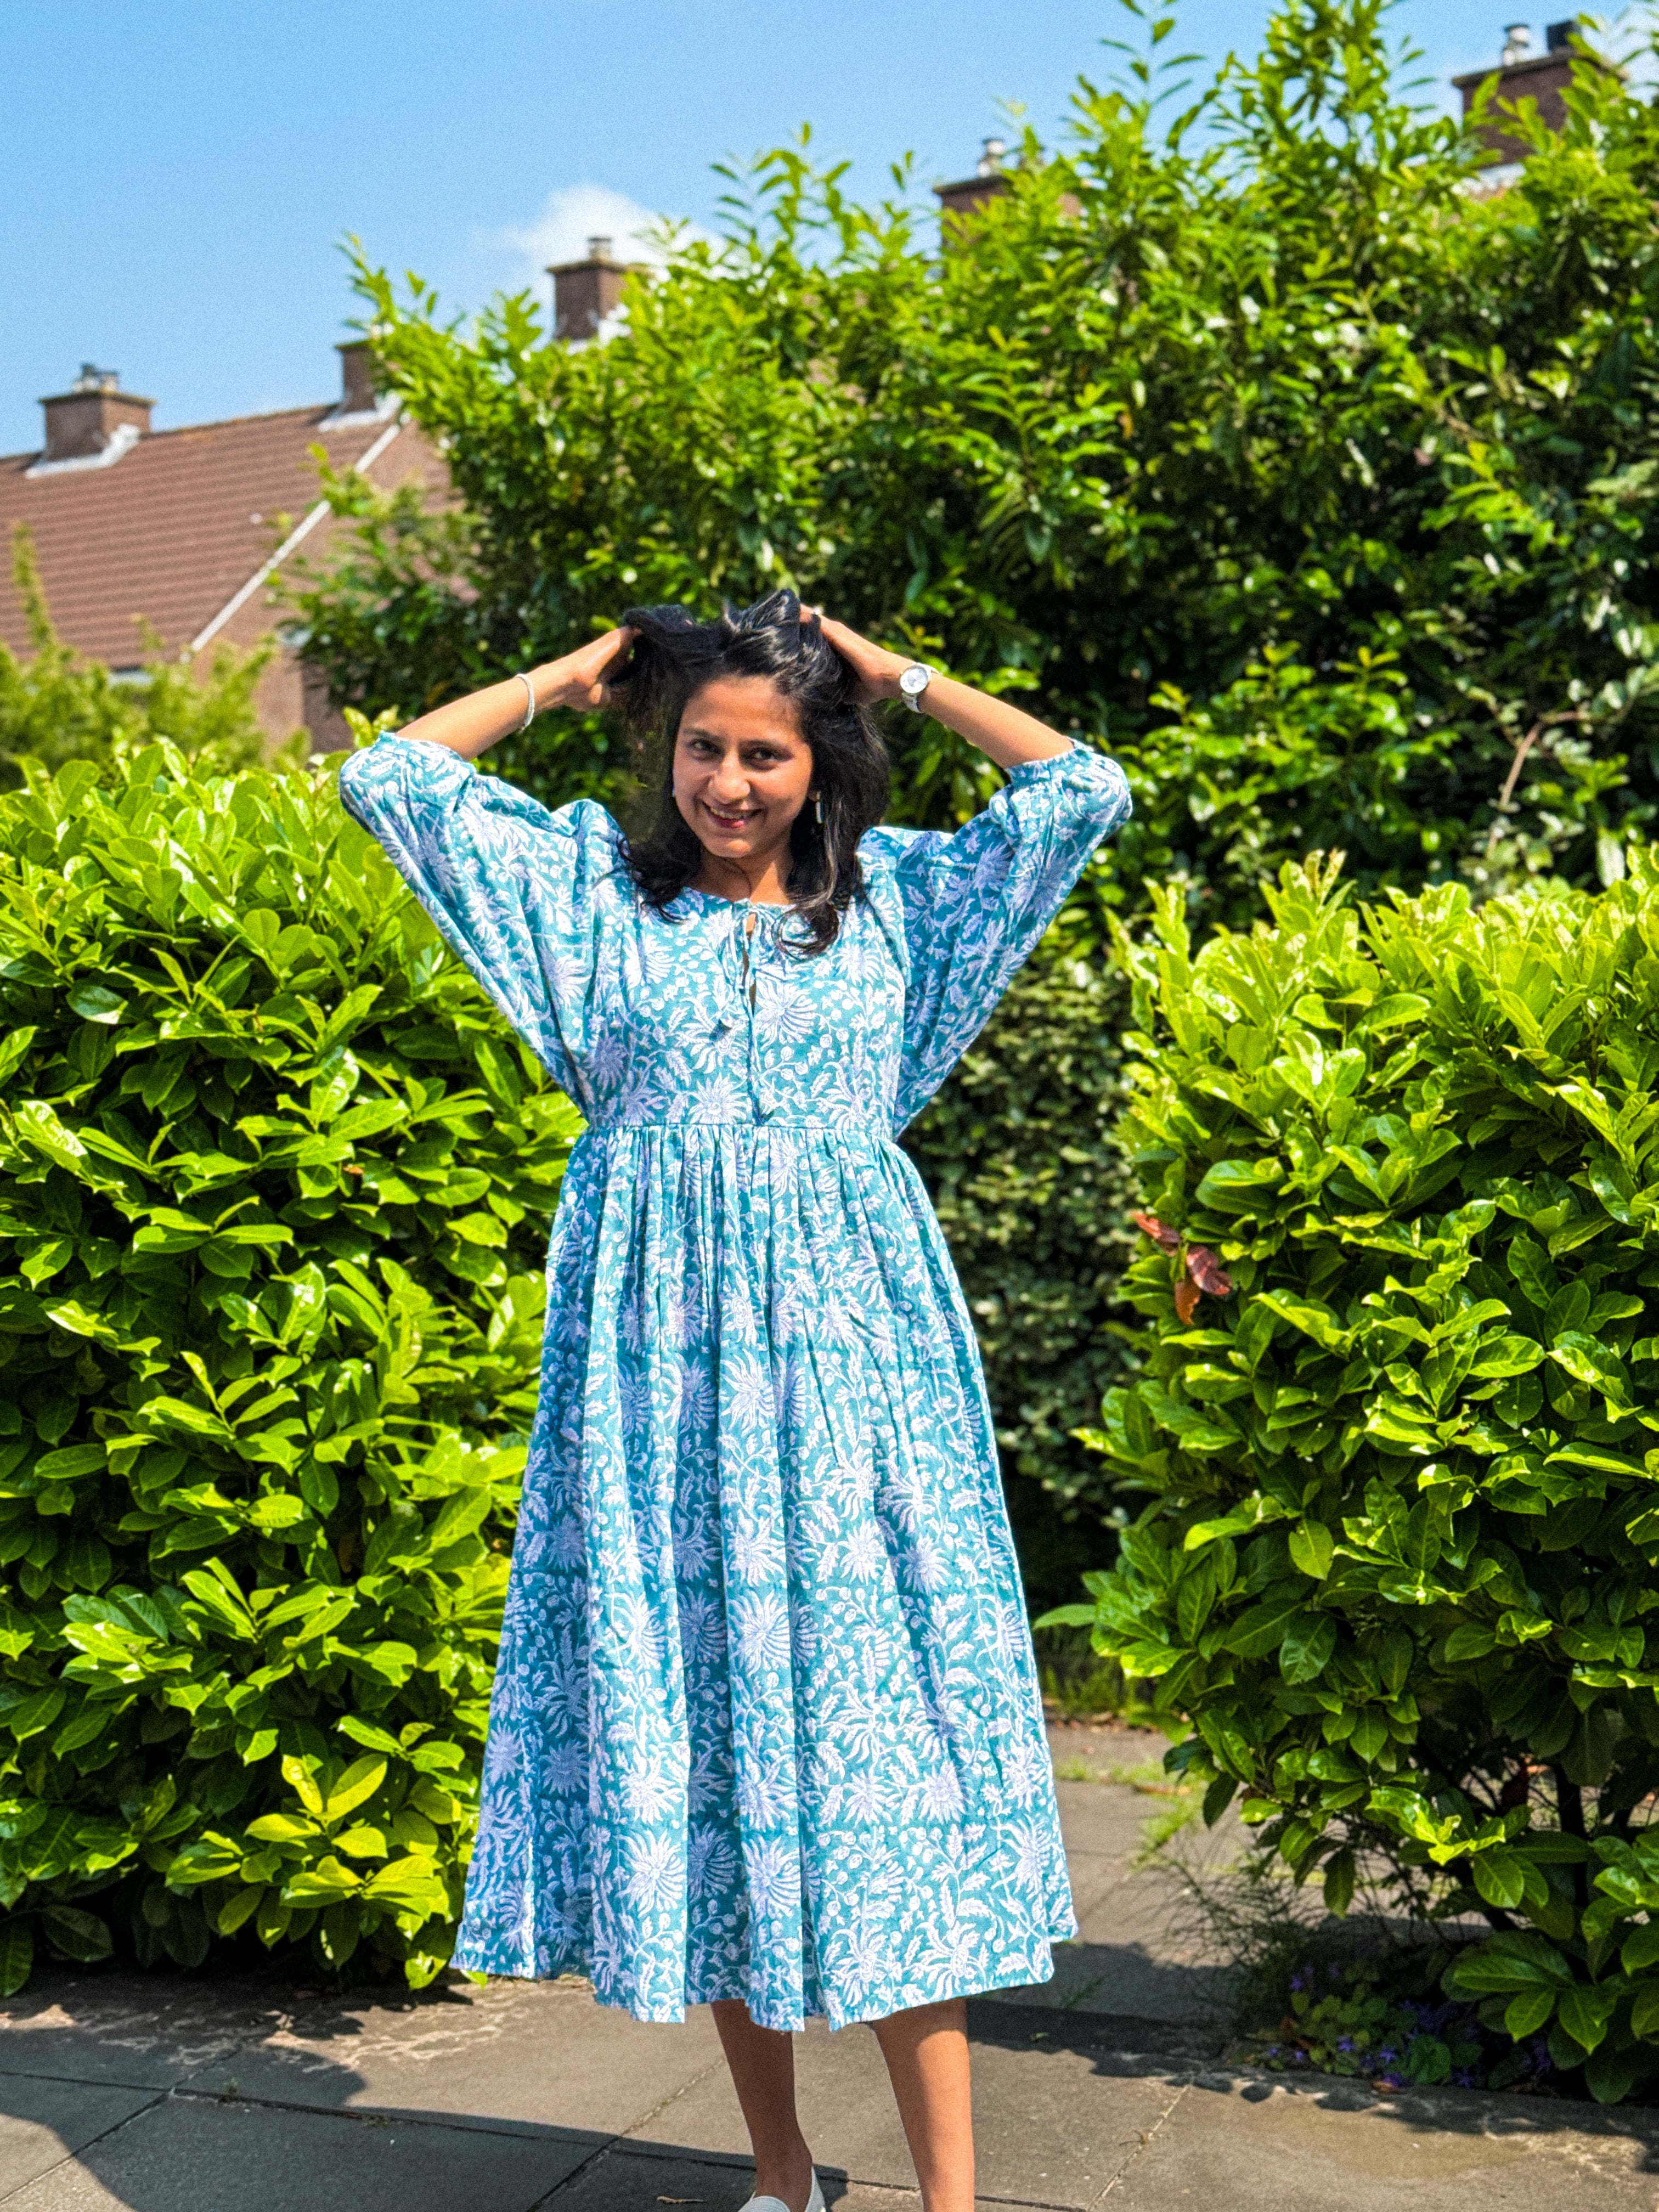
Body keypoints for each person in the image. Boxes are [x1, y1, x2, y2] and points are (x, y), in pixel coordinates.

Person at [337, 594, 1131, 2212]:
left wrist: (896, 671)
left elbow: (1081, 791)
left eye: (764, 749)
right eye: (703, 745)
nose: (729, 780)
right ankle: (783, 2176)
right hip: (658, 1403)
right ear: (668, 749)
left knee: (885, 1771)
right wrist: (574, 675)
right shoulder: (590, 899)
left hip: (857, 1397)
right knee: (710, 1762)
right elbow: (392, 782)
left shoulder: (902, 904)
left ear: (816, 759)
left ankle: (955, 2205)